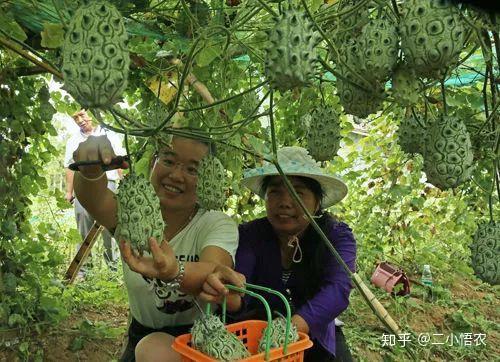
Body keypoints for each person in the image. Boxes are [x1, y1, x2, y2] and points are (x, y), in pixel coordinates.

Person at [72, 132, 240, 362]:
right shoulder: (132, 213)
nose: (176, 175)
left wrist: (173, 271)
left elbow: (215, 271)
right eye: (169, 161)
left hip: (201, 340)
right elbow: (94, 197)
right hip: (142, 338)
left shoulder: (215, 222)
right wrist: (90, 170)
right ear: (152, 163)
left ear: (207, 178)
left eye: (193, 170)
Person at [201, 146, 356, 362]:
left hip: (314, 333)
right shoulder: (251, 234)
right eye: (275, 191)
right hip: (257, 338)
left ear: (317, 202)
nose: (284, 202)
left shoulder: (336, 236)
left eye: (297, 192)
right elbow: (242, 288)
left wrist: (290, 330)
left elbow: (338, 289)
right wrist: (230, 298)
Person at [64, 109, 124, 272]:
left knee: (108, 227)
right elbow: (69, 168)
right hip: (82, 188)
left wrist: (125, 182)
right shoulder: (73, 140)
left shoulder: (109, 134)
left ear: (92, 114)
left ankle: (113, 268)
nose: (79, 120)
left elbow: (119, 161)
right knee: (83, 224)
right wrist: (69, 192)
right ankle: (85, 271)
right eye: (75, 118)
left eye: (82, 115)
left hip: (108, 184)